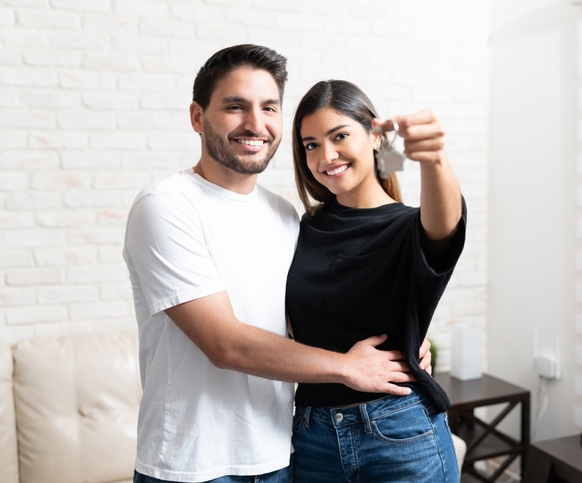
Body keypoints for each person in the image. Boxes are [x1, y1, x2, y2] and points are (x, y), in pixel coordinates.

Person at [123, 44, 430, 483]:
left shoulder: (287, 215)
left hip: (282, 455)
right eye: (235, 106)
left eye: (269, 107)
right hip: (191, 465)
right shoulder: (166, 206)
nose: (256, 124)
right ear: (197, 117)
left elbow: (307, 315)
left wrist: (405, 335)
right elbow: (224, 343)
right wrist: (348, 365)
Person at [287, 79, 466, 482]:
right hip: (313, 435)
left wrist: (433, 159)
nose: (325, 155)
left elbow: (445, 225)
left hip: (399, 430)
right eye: (311, 144)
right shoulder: (302, 228)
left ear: (373, 135)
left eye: (340, 136)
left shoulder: (407, 227)